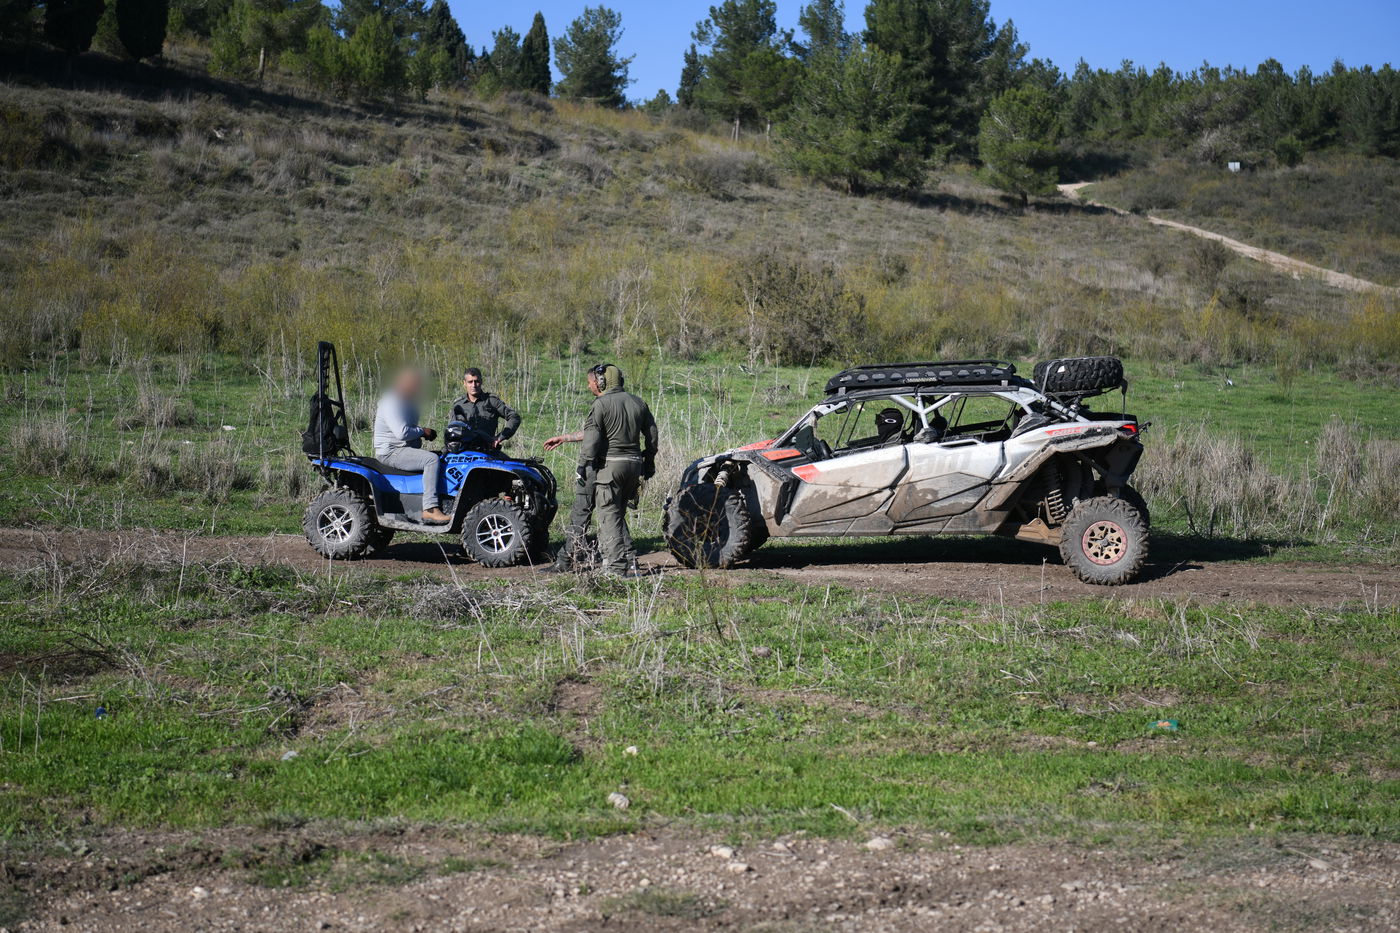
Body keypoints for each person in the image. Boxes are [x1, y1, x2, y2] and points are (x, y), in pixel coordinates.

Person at [543, 363, 658, 575]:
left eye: (590, 382)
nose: (589, 386)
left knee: (597, 513)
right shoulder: (638, 402)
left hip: (606, 465)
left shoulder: (601, 404)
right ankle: (629, 558)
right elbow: (652, 436)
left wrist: (583, 465)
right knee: (616, 513)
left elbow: (593, 438)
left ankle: (610, 566)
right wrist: (649, 462)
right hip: (633, 465)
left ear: (602, 382)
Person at [373, 367, 448, 524]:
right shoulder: (391, 402)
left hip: (400, 449)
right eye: (415, 384)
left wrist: (422, 433)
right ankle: (430, 509)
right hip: (390, 452)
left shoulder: (405, 402)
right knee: (431, 460)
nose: (417, 388)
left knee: (441, 457)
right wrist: (422, 431)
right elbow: (402, 433)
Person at [450, 367, 521, 451]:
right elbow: (451, 430)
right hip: (463, 451)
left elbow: (514, 417)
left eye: (477, 381)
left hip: (487, 451)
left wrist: (500, 437)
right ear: (464, 383)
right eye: (470, 382)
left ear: (481, 381)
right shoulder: (458, 405)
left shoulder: (492, 401)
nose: (474, 385)